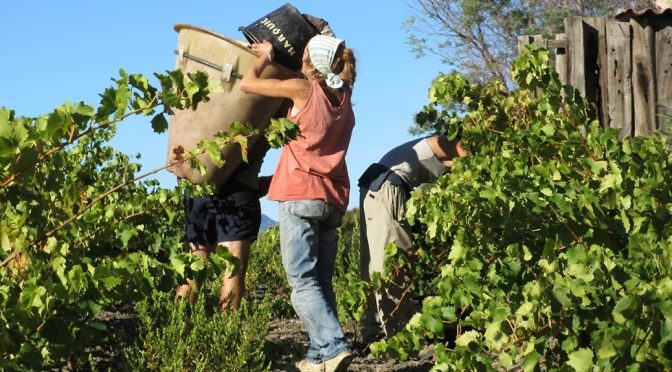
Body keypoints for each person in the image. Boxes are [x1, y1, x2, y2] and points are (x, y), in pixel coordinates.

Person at [240, 34, 357, 372]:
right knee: (320, 282)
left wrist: (265, 55)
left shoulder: (302, 88)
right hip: (333, 199)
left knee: (302, 282)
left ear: (312, 62)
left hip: (301, 196)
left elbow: (249, 84)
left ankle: (333, 346)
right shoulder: (345, 96)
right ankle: (319, 355)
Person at [358, 134, 467, 342]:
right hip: (387, 188)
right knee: (394, 267)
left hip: (374, 186)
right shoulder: (457, 144)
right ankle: (400, 337)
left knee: (374, 266)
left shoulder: (439, 143)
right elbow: (474, 170)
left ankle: (375, 331)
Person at [176, 137, 270, 311]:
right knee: (232, 266)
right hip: (240, 186)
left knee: (196, 258)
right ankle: (226, 334)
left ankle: (178, 333)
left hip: (199, 181)